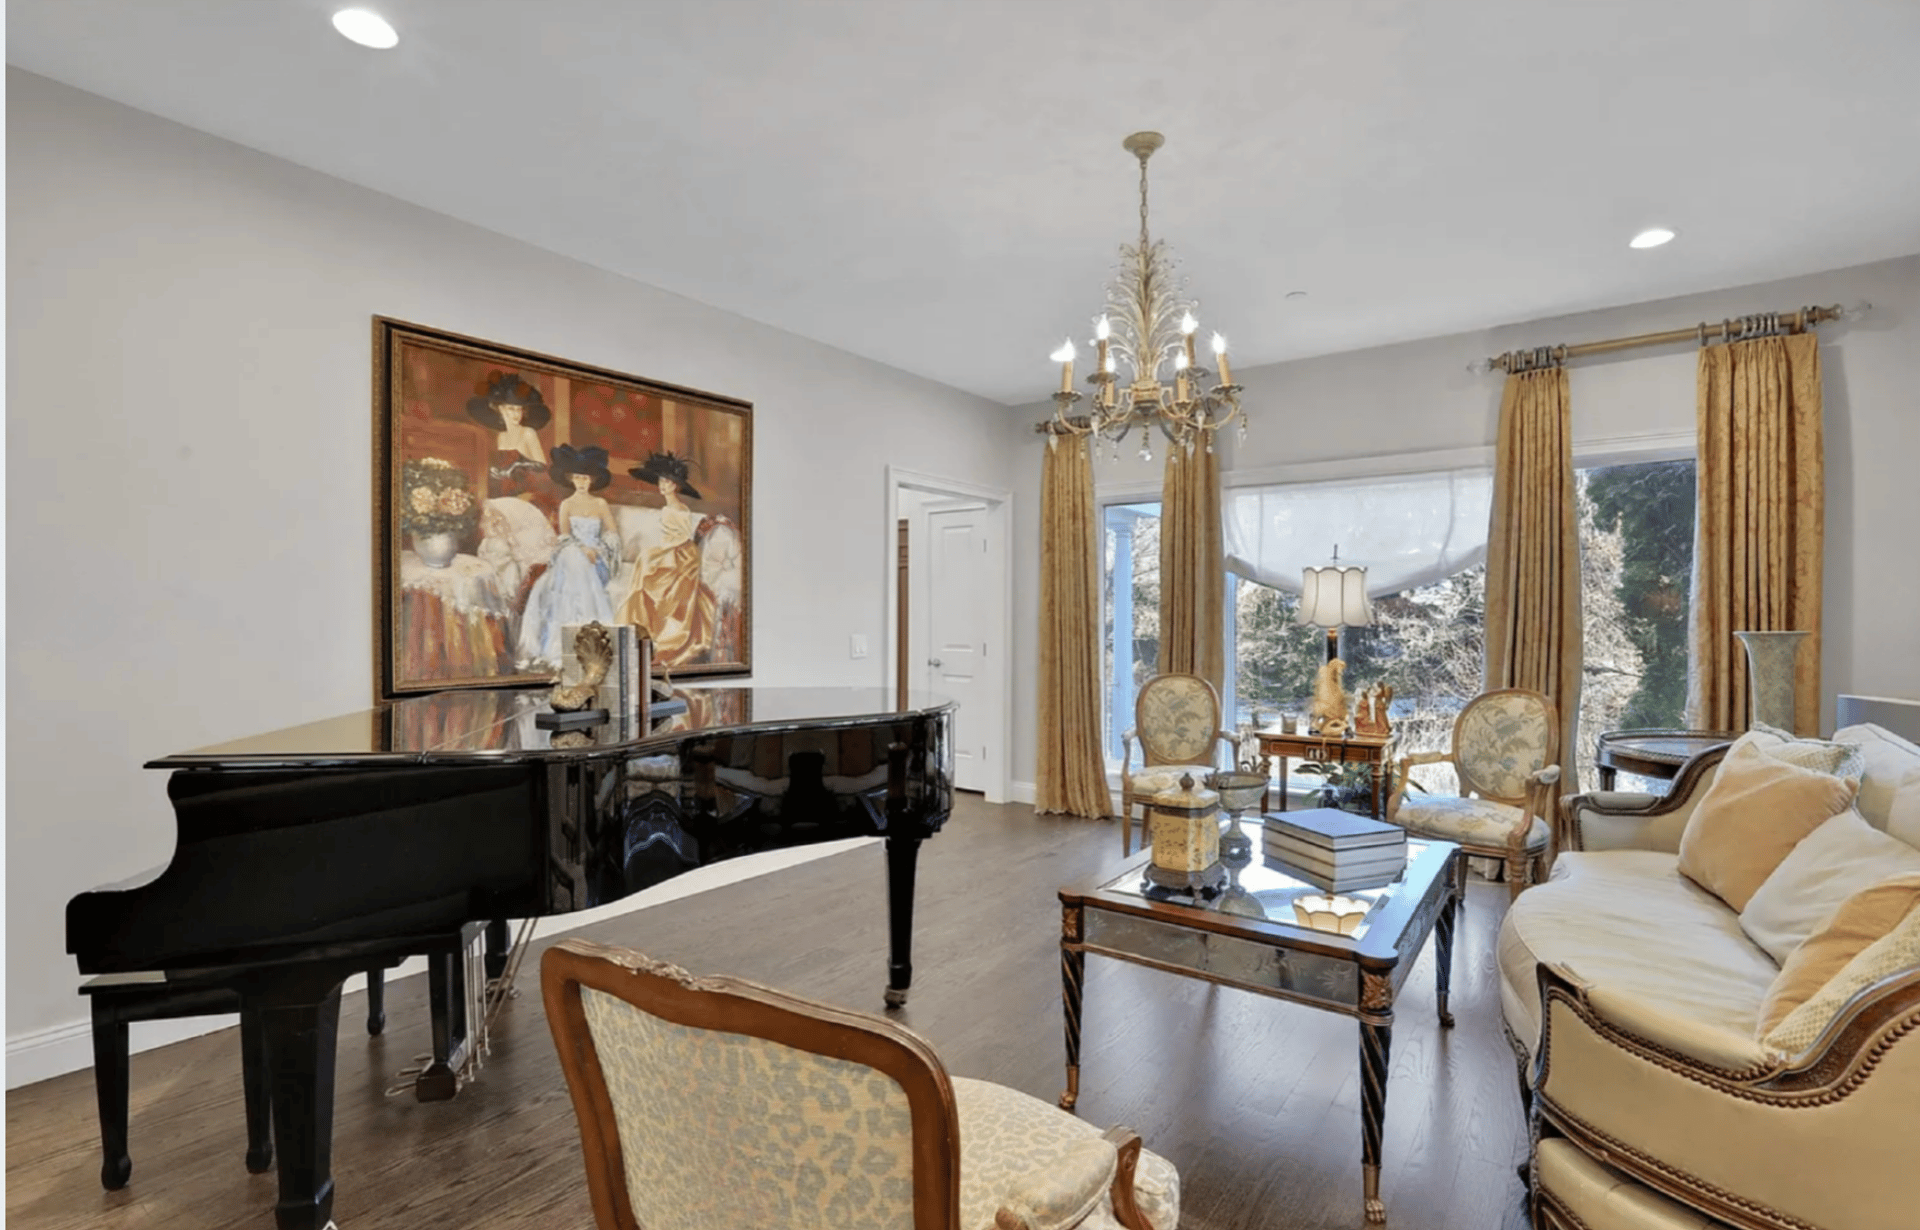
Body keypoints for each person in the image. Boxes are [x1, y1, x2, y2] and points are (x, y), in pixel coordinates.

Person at [514, 445, 621, 672]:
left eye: (585, 478)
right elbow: (564, 537)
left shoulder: (600, 504)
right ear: (571, 479)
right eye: (578, 478)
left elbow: (612, 535)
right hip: (571, 554)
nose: (582, 482)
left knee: (578, 559)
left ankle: (586, 642)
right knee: (572, 555)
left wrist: (597, 550)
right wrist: (581, 548)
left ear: (592, 480)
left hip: (596, 559)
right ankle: (563, 647)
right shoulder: (567, 505)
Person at [619, 450, 716, 668]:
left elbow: (681, 538)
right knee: (645, 561)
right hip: (671, 550)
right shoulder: (666, 507)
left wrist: (661, 553)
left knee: (649, 562)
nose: (663, 486)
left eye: (668, 482)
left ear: (676, 486)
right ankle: (645, 631)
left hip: (682, 554)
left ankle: (665, 638)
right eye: (661, 482)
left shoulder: (680, 509)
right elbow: (667, 538)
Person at [466, 372, 551, 503]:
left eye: (519, 410)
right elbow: (502, 467)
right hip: (504, 493)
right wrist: (496, 472)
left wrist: (518, 465)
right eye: (511, 409)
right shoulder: (501, 436)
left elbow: (542, 467)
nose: (516, 414)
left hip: (527, 493)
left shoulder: (528, 433)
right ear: (501, 410)